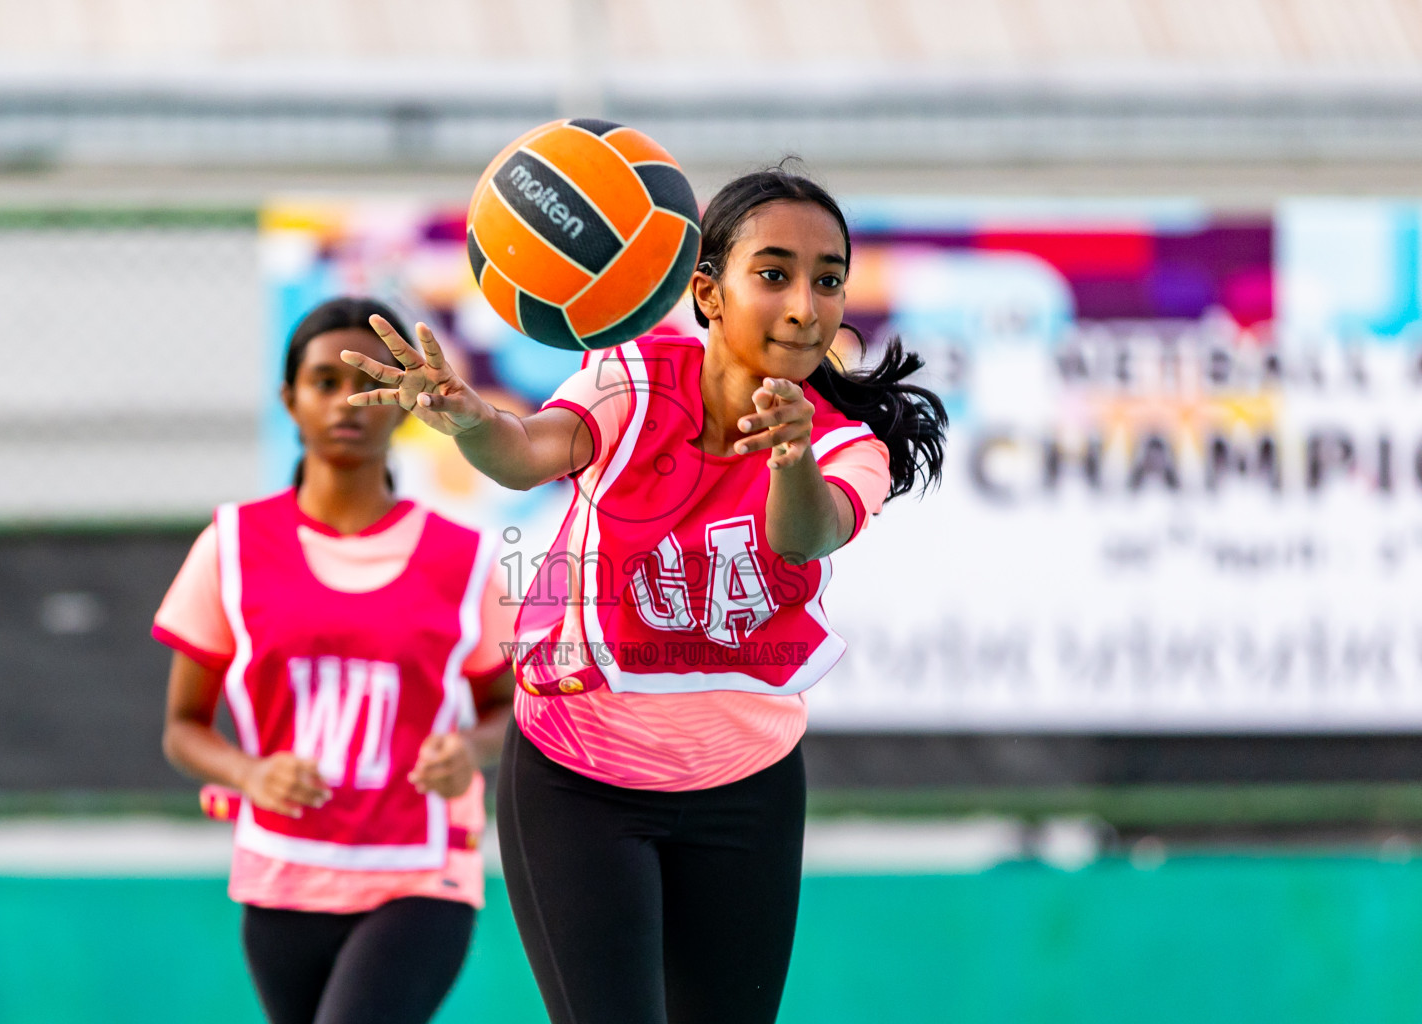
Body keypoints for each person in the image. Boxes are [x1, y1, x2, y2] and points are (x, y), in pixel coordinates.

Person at [342, 169, 946, 1024]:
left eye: (828, 278)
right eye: (772, 274)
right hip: (577, 777)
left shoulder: (848, 447)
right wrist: (470, 418)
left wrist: (790, 457)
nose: (806, 304)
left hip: (747, 786)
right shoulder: (632, 379)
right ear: (707, 292)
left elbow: (800, 537)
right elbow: (526, 451)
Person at [154, 297, 516, 1024]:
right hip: (282, 877)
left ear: (406, 405)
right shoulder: (230, 547)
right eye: (324, 381)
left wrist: (470, 751)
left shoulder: (465, 558)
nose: (345, 403)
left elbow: (510, 713)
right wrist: (250, 772)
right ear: (290, 400)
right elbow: (184, 729)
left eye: (368, 383)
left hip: (421, 874)